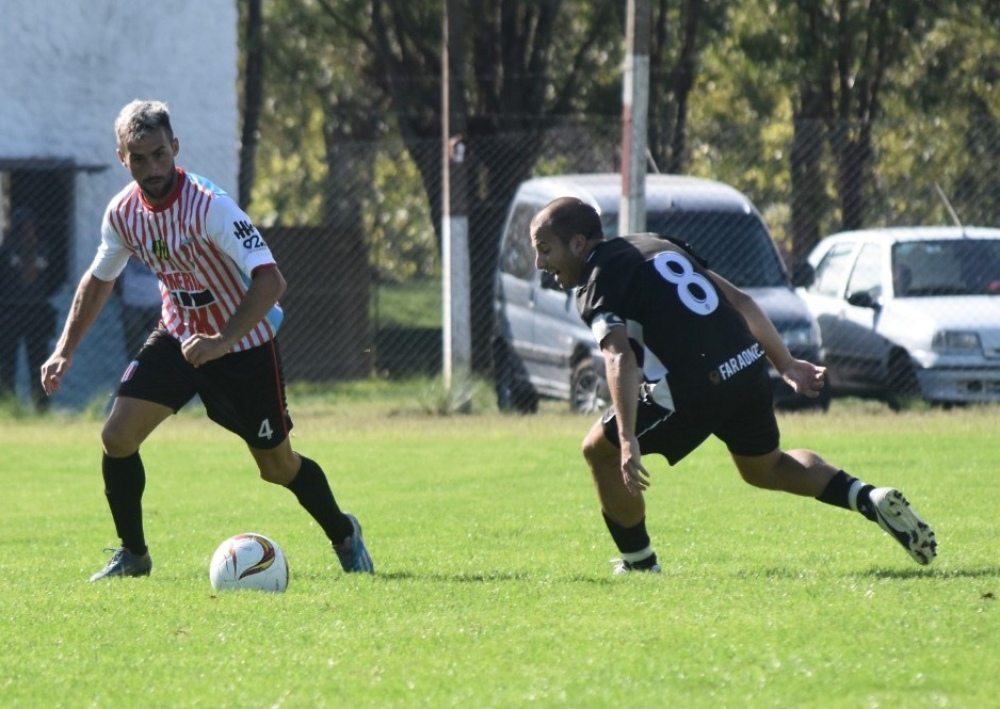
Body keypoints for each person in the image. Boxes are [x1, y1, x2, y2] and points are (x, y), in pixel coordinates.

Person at [40, 99, 373, 581]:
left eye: (159, 154)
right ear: (122, 158)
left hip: (244, 346)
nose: (153, 168)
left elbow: (271, 281)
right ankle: (134, 556)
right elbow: (99, 279)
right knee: (116, 436)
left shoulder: (210, 206)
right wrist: (64, 349)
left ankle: (344, 533)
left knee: (277, 467)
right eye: (139, 158)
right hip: (178, 336)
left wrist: (221, 339)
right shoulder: (122, 214)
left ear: (175, 147)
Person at [528, 197, 937, 574]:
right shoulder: (655, 243)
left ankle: (639, 564)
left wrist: (626, 436)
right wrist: (786, 363)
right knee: (765, 467)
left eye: (545, 249)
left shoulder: (597, 279)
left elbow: (620, 358)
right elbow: (740, 301)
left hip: (694, 384)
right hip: (747, 366)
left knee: (598, 450)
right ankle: (868, 497)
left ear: (579, 243)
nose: (539, 262)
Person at [0, 207, 58, 412]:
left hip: (37, 313)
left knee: (39, 362)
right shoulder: (6, 252)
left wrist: (42, 296)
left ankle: (41, 405)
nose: (28, 233)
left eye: (32, 228)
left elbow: (54, 281)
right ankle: (7, 406)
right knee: (7, 363)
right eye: (24, 229)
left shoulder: (43, 251)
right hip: (10, 314)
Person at [118, 255, 163, 357]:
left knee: (161, 345)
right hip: (132, 302)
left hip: (157, 301)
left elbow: (163, 257)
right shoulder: (128, 243)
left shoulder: (160, 243)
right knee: (134, 349)